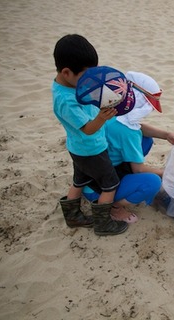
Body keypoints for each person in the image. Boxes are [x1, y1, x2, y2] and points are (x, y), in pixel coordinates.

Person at [79, 66, 174, 223]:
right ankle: (113, 206)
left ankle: (122, 182)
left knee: (146, 140)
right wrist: (166, 172)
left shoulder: (110, 110)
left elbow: (137, 127)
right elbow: (139, 168)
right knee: (152, 182)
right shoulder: (127, 131)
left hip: (90, 174)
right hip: (98, 189)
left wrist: (166, 134)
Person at [52, 34, 127, 236]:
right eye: (85, 77)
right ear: (67, 72)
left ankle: (73, 216)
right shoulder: (67, 101)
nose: (89, 82)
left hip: (77, 147)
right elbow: (88, 129)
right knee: (110, 184)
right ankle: (103, 224)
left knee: (80, 180)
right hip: (91, 149)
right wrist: (102, 118)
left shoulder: (66, 87)